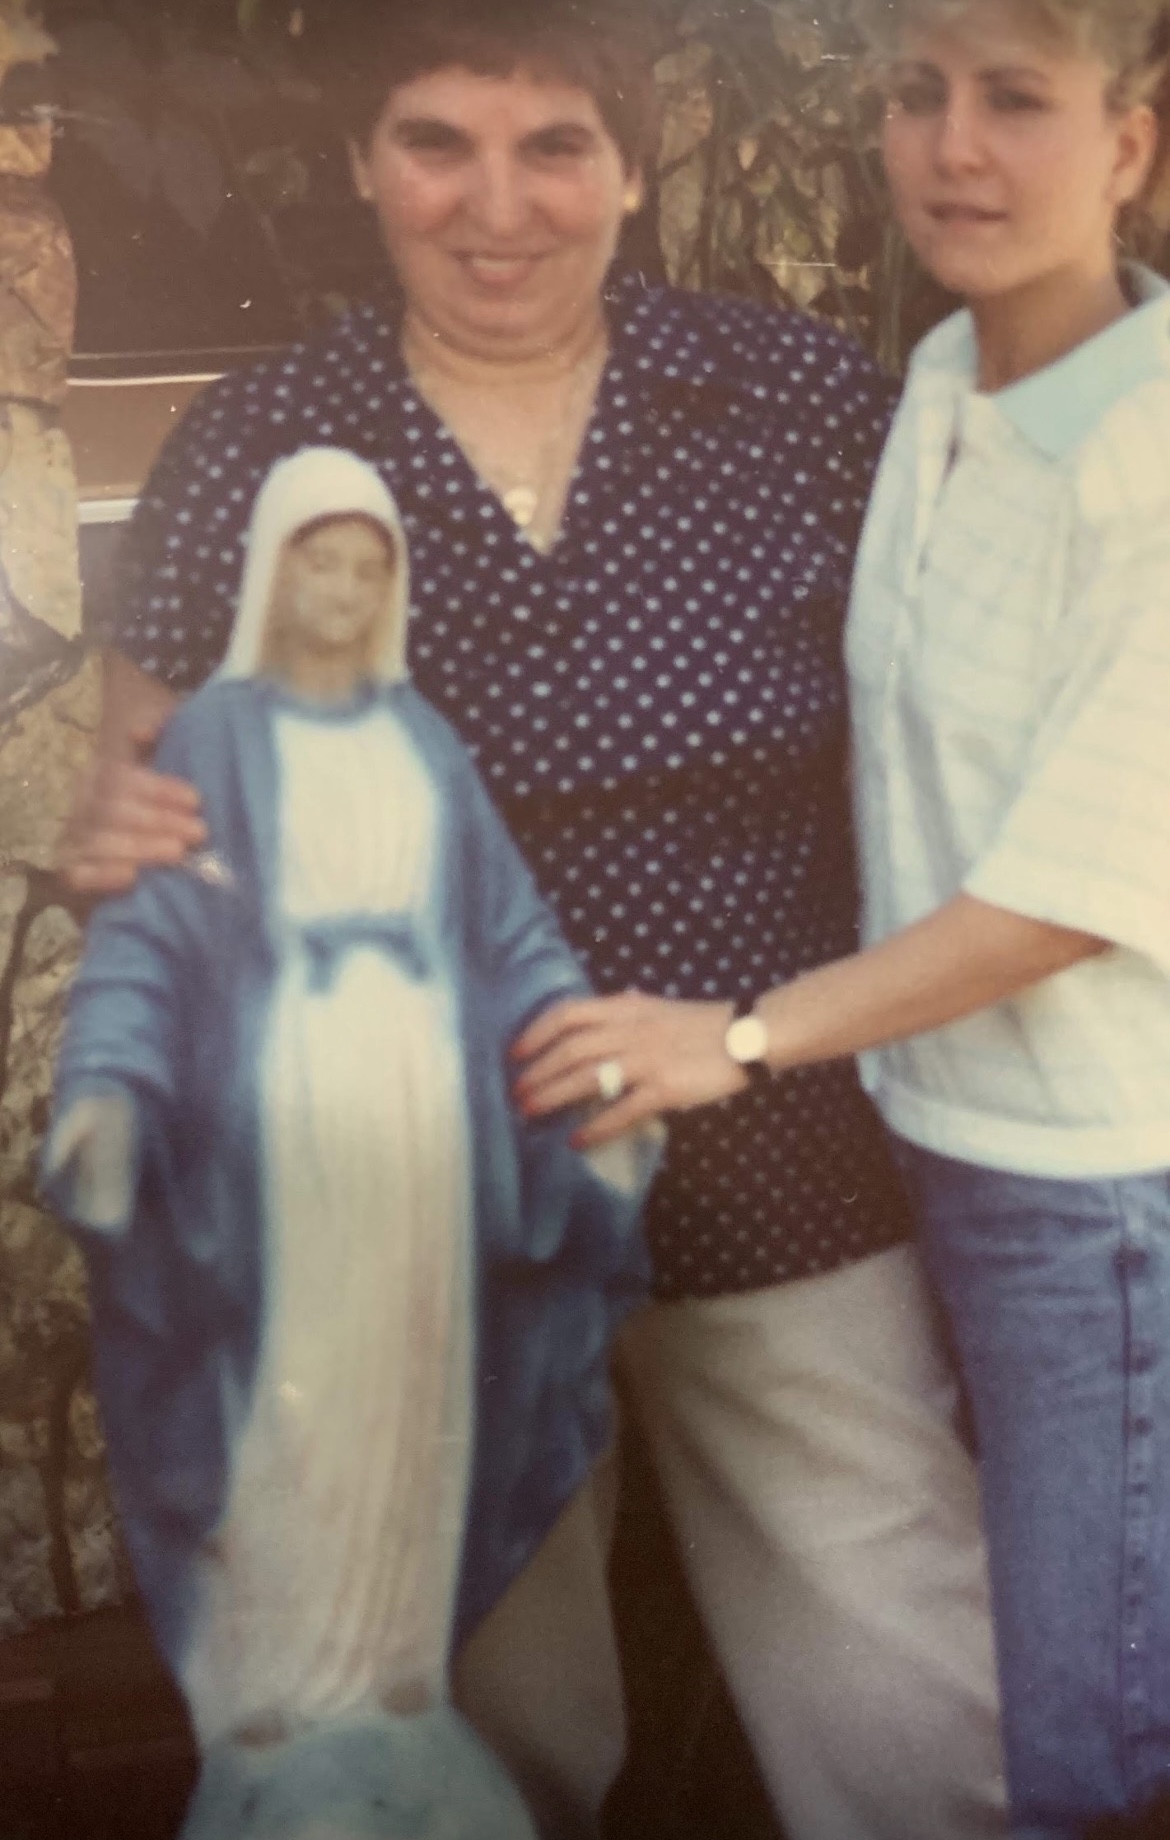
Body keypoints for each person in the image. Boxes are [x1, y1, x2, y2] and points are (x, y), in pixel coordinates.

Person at [61, 2, 1006, 1835]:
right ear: (360, 164)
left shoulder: (805, 404)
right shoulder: (263, 442)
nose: (496, 202)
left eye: (555, 145)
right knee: (489, 1698)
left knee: (903, 1683)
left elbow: (974, 739)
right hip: (429, 1201)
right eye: (435, 141)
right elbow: (156, 815)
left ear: (632, 169)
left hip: (780, 1129)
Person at [518, 0, 1170, 1833]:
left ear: (1131, 141)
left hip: (1098, 1191)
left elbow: (1067, 891)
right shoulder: (942, 383)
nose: (951, 146)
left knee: (1092, 1743)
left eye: (1017, 102)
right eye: (916, 94)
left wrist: (728, 1038)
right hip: (937, 1143)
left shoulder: (1153, 452)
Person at [45, 445, 655, 1840]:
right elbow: (151, 937)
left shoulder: (420, 740)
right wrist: (111, 1087)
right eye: (317, 559)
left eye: (366, 565)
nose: (339, 586)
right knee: (288, 1387)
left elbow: (512, 939)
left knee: (410, 1395)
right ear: (272, 572)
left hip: (426, 1132)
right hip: (285, 1113)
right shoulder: (213, 736)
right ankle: (276, 1673)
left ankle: (383, 1669)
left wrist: (586, 1068)